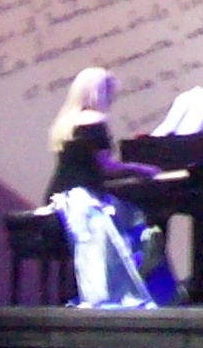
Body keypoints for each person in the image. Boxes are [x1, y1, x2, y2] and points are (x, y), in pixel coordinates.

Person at [47, 67, 158, 305]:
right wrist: (141, 169)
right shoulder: (94, 121)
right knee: (136, 220)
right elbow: (106, 168)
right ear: (100, 93)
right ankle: (133, 286)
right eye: (110, 93)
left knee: (122, 214)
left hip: (58, 196)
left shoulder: (66, 122)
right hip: (83, 199)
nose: (113, 99)